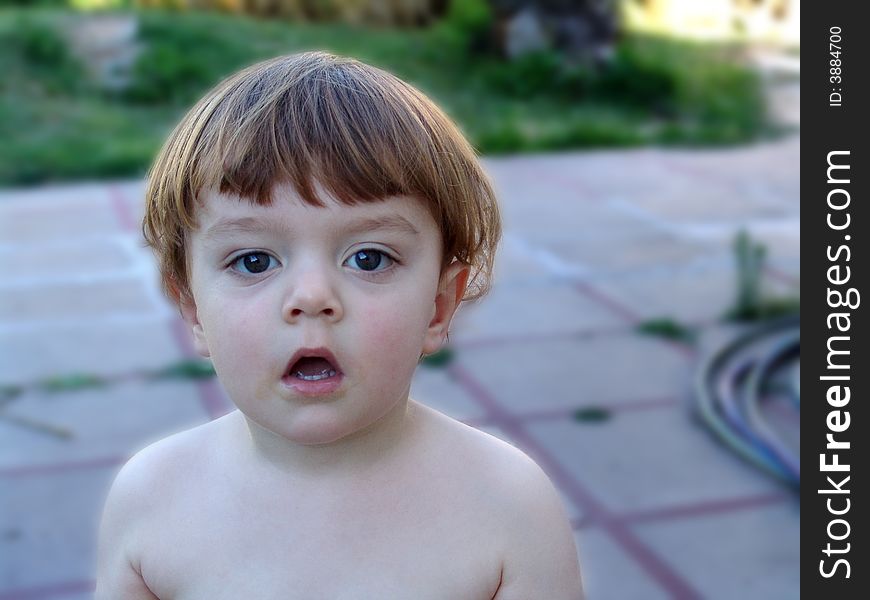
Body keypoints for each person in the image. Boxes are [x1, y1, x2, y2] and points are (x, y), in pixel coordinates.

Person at [95, 51, 584, 599]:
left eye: (369, 258)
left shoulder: (509, 504)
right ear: (192, 310)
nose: (311, 297)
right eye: (254, 261)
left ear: (440, 306)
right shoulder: (151, 498)